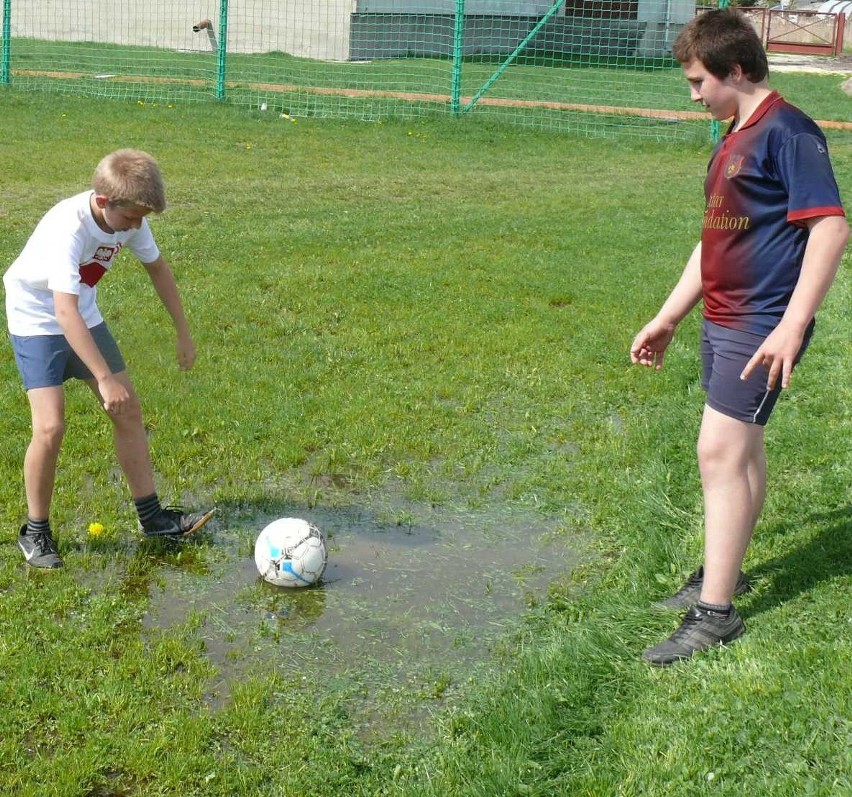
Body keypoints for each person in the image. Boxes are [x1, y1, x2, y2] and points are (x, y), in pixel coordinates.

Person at [630, 9, 848, 666]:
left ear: (734, 69)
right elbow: (714, 239)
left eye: (699, 81)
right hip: (724, 317)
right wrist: (668, 316)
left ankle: (716, 612)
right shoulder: (733, 135)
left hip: (762, 323)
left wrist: (791, 324)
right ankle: (726, 573)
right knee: (740, 455)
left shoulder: (788, 132)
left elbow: (831, 229)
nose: (694, 93)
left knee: (717, 454)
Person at [4, 149, 214, 569]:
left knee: (127, 411)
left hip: (82, 313)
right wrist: (103, 377)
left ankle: (152, 518)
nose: (136, 227)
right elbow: (62, 311)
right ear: (103, 201)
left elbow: (158, 269)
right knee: (50, 426)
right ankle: (35, 531)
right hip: (36, 316)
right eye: (131, 218)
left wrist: (183, 331)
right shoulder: (69, 227)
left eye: (142, 218)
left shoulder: (129, 217)